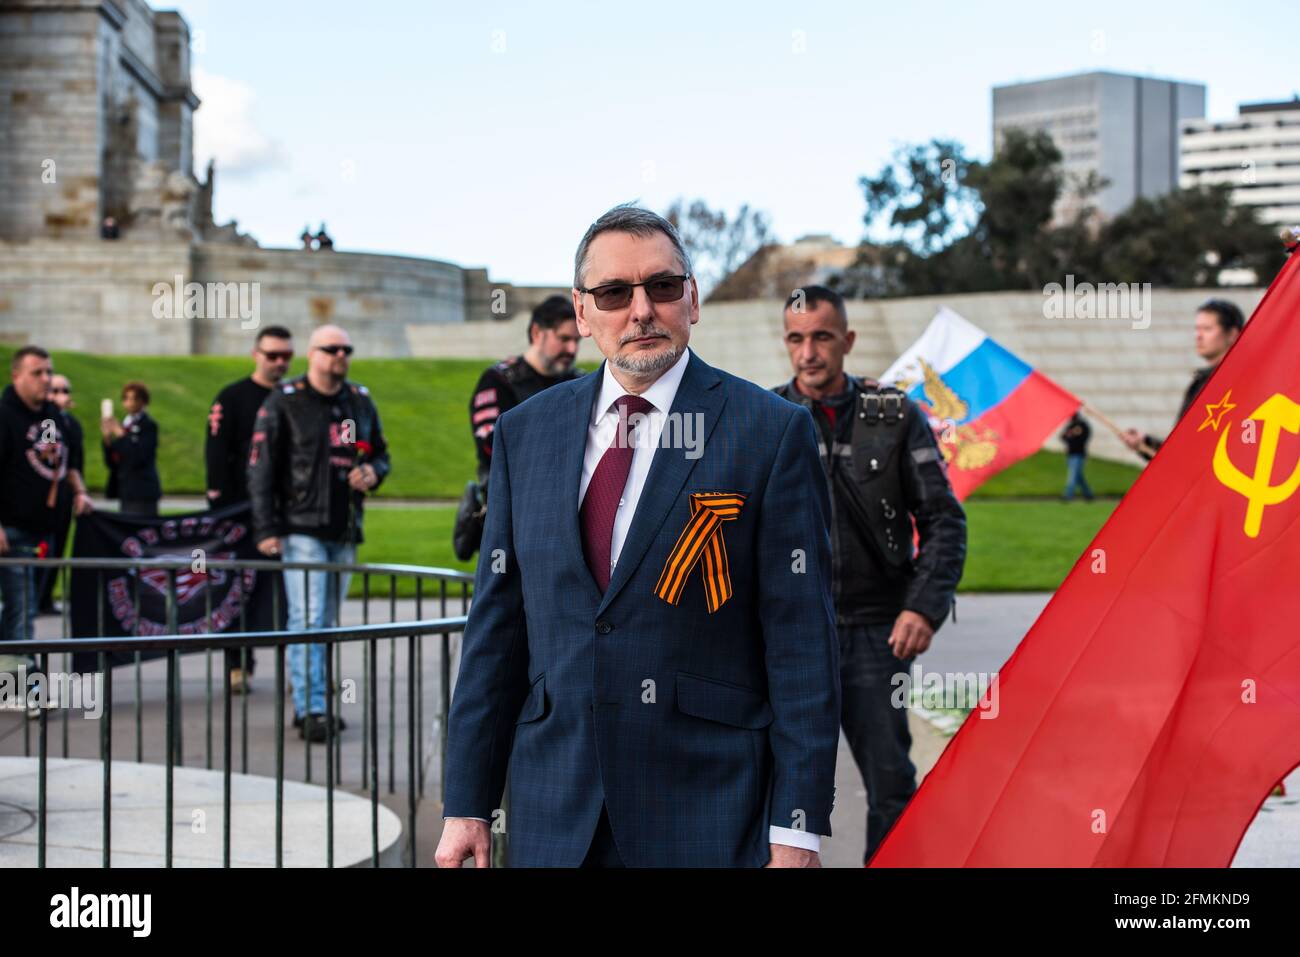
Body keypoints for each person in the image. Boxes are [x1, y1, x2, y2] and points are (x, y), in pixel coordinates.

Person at [436, 205, 840, 869]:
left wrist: (796, 829)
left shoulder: (771, 431)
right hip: (553, 810)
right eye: (614, 293)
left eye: (661, 286)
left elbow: (801, 645)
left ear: (693, 298)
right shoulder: (524, 434)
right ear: (583, 310)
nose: (641, 310)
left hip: (708, 810)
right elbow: (496, 633)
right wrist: (467, 803)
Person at [773, 285, 967, 863]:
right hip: (786, 636)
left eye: (822, 338)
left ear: (848, 341)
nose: (809, 352)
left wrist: (923, 606)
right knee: (769, 787)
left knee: (891, 784)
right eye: (796, 339)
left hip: (876, 632)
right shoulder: (765, 417)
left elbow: (943, 519)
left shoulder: (896, 415)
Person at [248, 325, 390, 743]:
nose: (340, 356)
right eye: (331, 349)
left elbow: (381, 453)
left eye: (346, 348)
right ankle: (310, 707)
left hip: (343, 529)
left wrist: (374, 472)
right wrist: (266, 527)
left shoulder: (360, 401)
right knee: (307, 618)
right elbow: (260, 467)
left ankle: (317, 703)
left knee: (326, 621)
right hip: (301, 527)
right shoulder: (286, 401)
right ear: (312, 354)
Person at [454, 297, 582, 560]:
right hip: (510, 522)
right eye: (564, 338)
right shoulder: (498, 380)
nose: (572, 348)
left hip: (571, 521)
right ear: (537, 333)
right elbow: (493, 447)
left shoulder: (579, 382)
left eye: (577, 341)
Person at [205, 325, 294, 693]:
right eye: (272, 355)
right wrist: (222, 511)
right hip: (240, 512)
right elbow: (216, 455)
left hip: (286, 513)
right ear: (255, 354)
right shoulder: (232, 397)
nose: (279, 363)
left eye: (286, 356)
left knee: (294, 594)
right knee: (237, 590)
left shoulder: (295, 397)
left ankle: (301, 671)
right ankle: (238, 664)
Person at [0, 347, 72, 653]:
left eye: (48, 372)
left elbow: (66, 460)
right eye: (37, 373)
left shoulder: (51, 415)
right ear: (17, 376)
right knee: (22, 610)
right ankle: (15, 691)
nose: (45, 379)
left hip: (45, 531)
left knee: (23, 610)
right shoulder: (4, 415)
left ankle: (10, 681)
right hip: (13, 530)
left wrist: (80, 492)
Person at [1122, 299, 1245, 460]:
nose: (1198, 336)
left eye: (1207, 329)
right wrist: (1145, 443)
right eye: (1197, 329)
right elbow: (1183, 451)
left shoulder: (1238, 383)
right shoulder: (1201, 382)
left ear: (1232, 334)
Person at [38, 373, 93, 613]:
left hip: (64, 495)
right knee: (42, 549)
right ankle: (36, 597)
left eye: (66, 390)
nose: (62, 395)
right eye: (56, 390)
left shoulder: (70, 423)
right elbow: (49, 453)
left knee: (58, 548)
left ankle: (46, 596)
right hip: (45, 497)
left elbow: (75, 462)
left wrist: (80, 491)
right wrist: (53, 413)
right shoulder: (47, 421)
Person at [101, 381, 161, 515]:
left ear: (143, 401)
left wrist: (121, 434)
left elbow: (139, 457)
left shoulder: (149, 426)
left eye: (134, 399)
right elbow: (114, 461)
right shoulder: (125, 424)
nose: (130, 403)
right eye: (126, 398)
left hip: (143, 491)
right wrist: (107, 439)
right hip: (126, 490)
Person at [1059, 411, 1095, 502]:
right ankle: (1088, 494)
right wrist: (1070, 435)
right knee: (1078, 476)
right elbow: (1062, 437)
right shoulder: (1071, 426)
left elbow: (1084, 437)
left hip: (1079, 454)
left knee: (1072, 475)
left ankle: (1068, 495)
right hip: (1071, 454)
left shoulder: (1083, 425)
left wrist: (1072, 435)